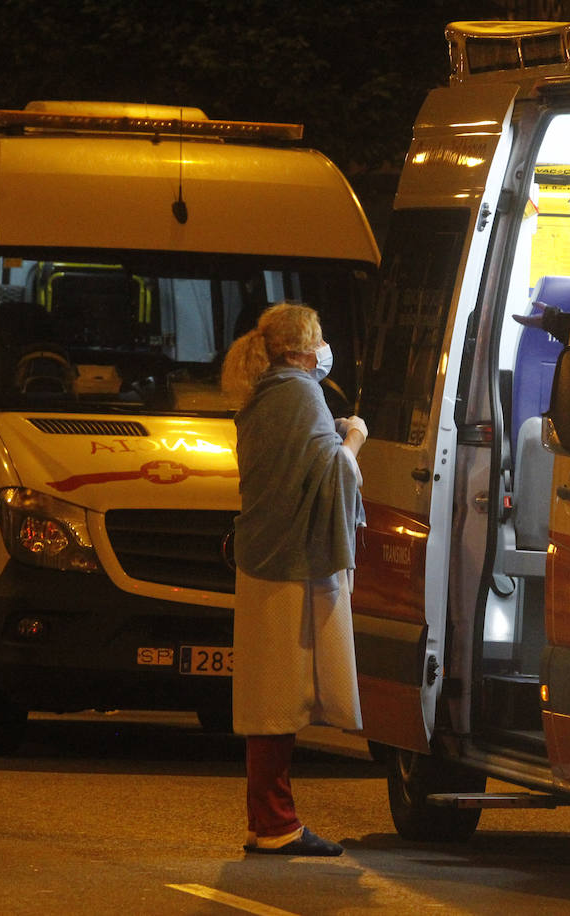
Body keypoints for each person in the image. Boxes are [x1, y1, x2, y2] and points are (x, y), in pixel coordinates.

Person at [219, 302, 366, 857]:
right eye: (321, 337)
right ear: (304, 346)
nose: (326, 347)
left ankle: (266, 819)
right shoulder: (301, 393)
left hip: (263, 554)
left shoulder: (263, 393)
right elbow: (332, 473)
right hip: (291, 562)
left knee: (265, 693)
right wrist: (354, 436)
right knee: (279, 694)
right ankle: (278, 823)